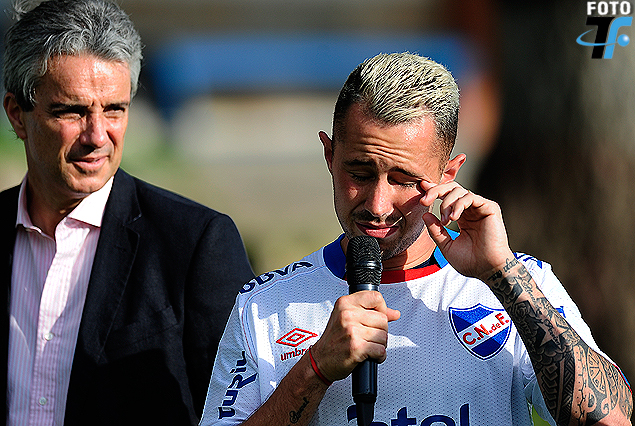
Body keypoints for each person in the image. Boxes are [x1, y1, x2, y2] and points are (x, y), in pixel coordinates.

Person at [199, 52, 633, 426]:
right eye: (359, 173)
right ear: (330, 155)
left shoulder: (519, 285)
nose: (377, 204)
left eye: (404, 181)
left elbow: (609, 418)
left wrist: (502, 274)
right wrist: (314, 369)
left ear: (449, 174)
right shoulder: (265, 306)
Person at [0, 0, 255, 425]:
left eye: (114, 109)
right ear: (17, 114)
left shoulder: (196, 243)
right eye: (73, 111)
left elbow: (246, 410)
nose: (97, 136)